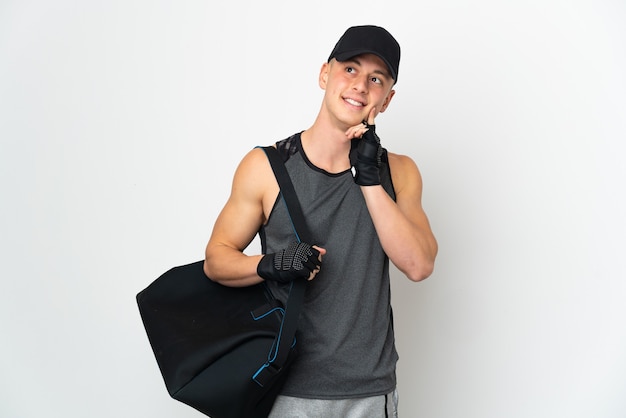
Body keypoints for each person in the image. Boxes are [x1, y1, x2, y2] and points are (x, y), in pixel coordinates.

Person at [203, 25, 438, 417]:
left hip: (370, 389)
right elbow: (216, 260)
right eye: (350, 69)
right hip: (286, 387)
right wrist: (273, 265)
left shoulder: (399, 171)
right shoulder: (267, 167)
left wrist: (368, 178)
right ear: (324, 74)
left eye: (375, 79)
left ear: (387, 99)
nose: (360, 85)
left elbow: (419, 265)